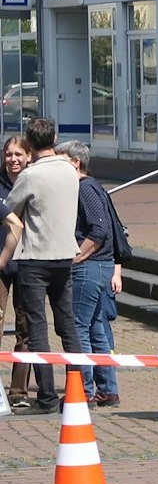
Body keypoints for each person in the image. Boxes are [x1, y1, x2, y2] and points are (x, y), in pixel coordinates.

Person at [0, 118, 81, 415]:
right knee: (67, 325)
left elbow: (10, 209)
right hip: (64, 255)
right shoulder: (70, 170)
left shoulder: (31, 175)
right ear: (55, 138)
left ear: (30, 146)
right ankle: (78, 388)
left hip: (35, 257)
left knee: (37, 329)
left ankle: (47, 396)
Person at [56, 141, 124, 407]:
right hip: (100, 266)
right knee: (97, 328)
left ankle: (82, 390)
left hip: (90, 267)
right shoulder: (92, 187)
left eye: (61, 162)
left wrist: (78, 257)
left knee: (78, 327)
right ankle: (107, 389)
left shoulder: (84, 188)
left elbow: (98, 229)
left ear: (75, 163)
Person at [1, 135, 33, 408]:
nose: (13, 159)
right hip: (0, 265)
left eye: (18, 154)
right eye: (8, 154)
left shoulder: (34, 182)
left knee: (26, 328)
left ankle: (19, 391)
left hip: (28, 265)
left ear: (29, 156)